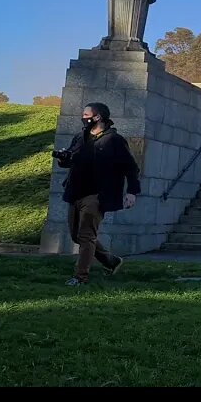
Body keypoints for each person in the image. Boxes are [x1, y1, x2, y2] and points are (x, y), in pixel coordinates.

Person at [54, 102, 140, 286]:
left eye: (86, 114)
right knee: (76, 235)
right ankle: (111, 261)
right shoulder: (80, 137)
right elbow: (71, 160)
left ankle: (80, 277)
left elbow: (131, 167)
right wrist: (63, 159)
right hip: (75, 192)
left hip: (96, 195)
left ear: (98, 117)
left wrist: (132, 191)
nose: (83, 117)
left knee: (86, 236)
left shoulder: (114, 140)